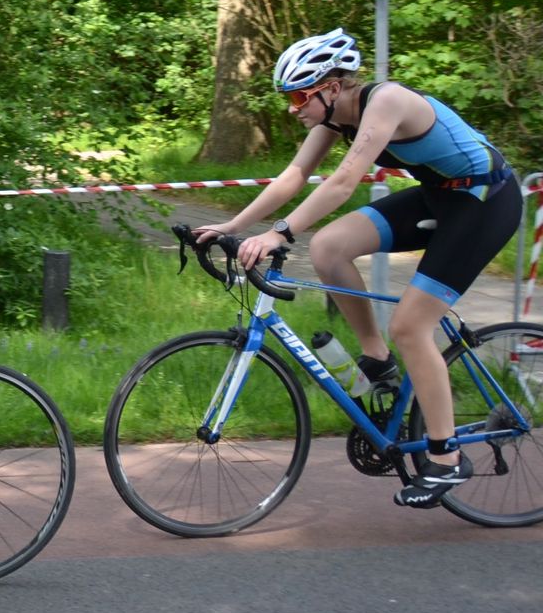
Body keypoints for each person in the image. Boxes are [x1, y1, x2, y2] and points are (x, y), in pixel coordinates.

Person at [195, 29, 520, 506]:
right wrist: (236, 224)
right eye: (288, 97)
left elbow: (345, 180)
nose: (293, 107)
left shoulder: (386, 100)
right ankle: (378, 359)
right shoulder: (331, 119)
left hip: (485, 200)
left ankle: (447, 459)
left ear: (332, 87)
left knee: (412, 326)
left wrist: (279, 234)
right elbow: (295, 176)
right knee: (327, 248)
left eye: (300, 95)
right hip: (440, 195)